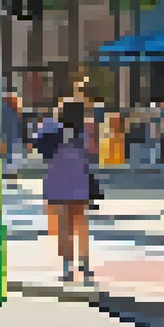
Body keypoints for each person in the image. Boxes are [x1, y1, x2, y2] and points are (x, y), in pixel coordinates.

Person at [34, 98, 96, 285]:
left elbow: (39, 147)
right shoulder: (84, 132)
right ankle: (84, 262)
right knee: (81, 223)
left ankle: (67, 266)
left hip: (58, 181)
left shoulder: (51, 128)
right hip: (79, 181)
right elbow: (91, 153)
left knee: (63, 226)